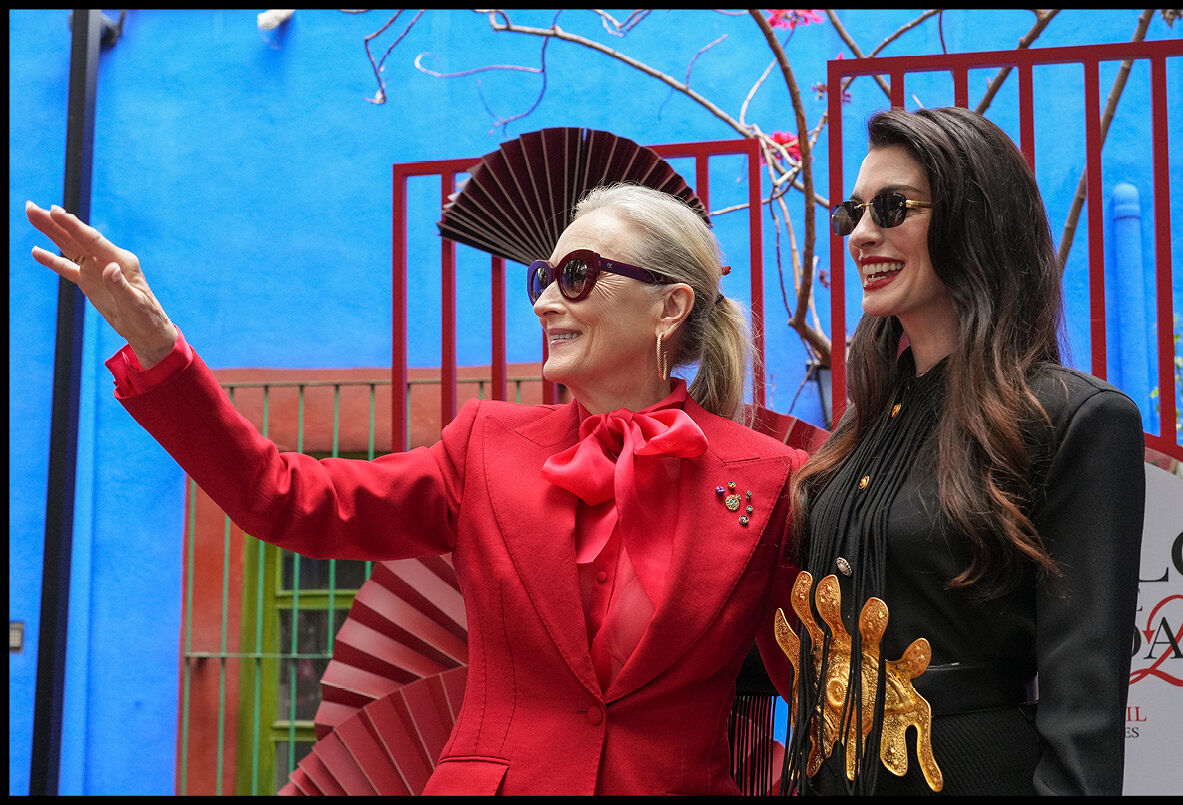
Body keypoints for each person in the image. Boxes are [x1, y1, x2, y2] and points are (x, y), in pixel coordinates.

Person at [26, 183, 807, 796]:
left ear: (670, 306)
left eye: (577, 275)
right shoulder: (486, 446)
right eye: (544, 276)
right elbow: (284, 495)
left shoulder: (769, 481)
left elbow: (820, 693)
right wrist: (159, 347)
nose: (543, 301)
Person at [772, 107, 1145, 796]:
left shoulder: (1073, 419)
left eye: (892, 207)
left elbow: (1084, 720)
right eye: (853, 210)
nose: (860, 234)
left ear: (975, 217)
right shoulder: (864, 422)